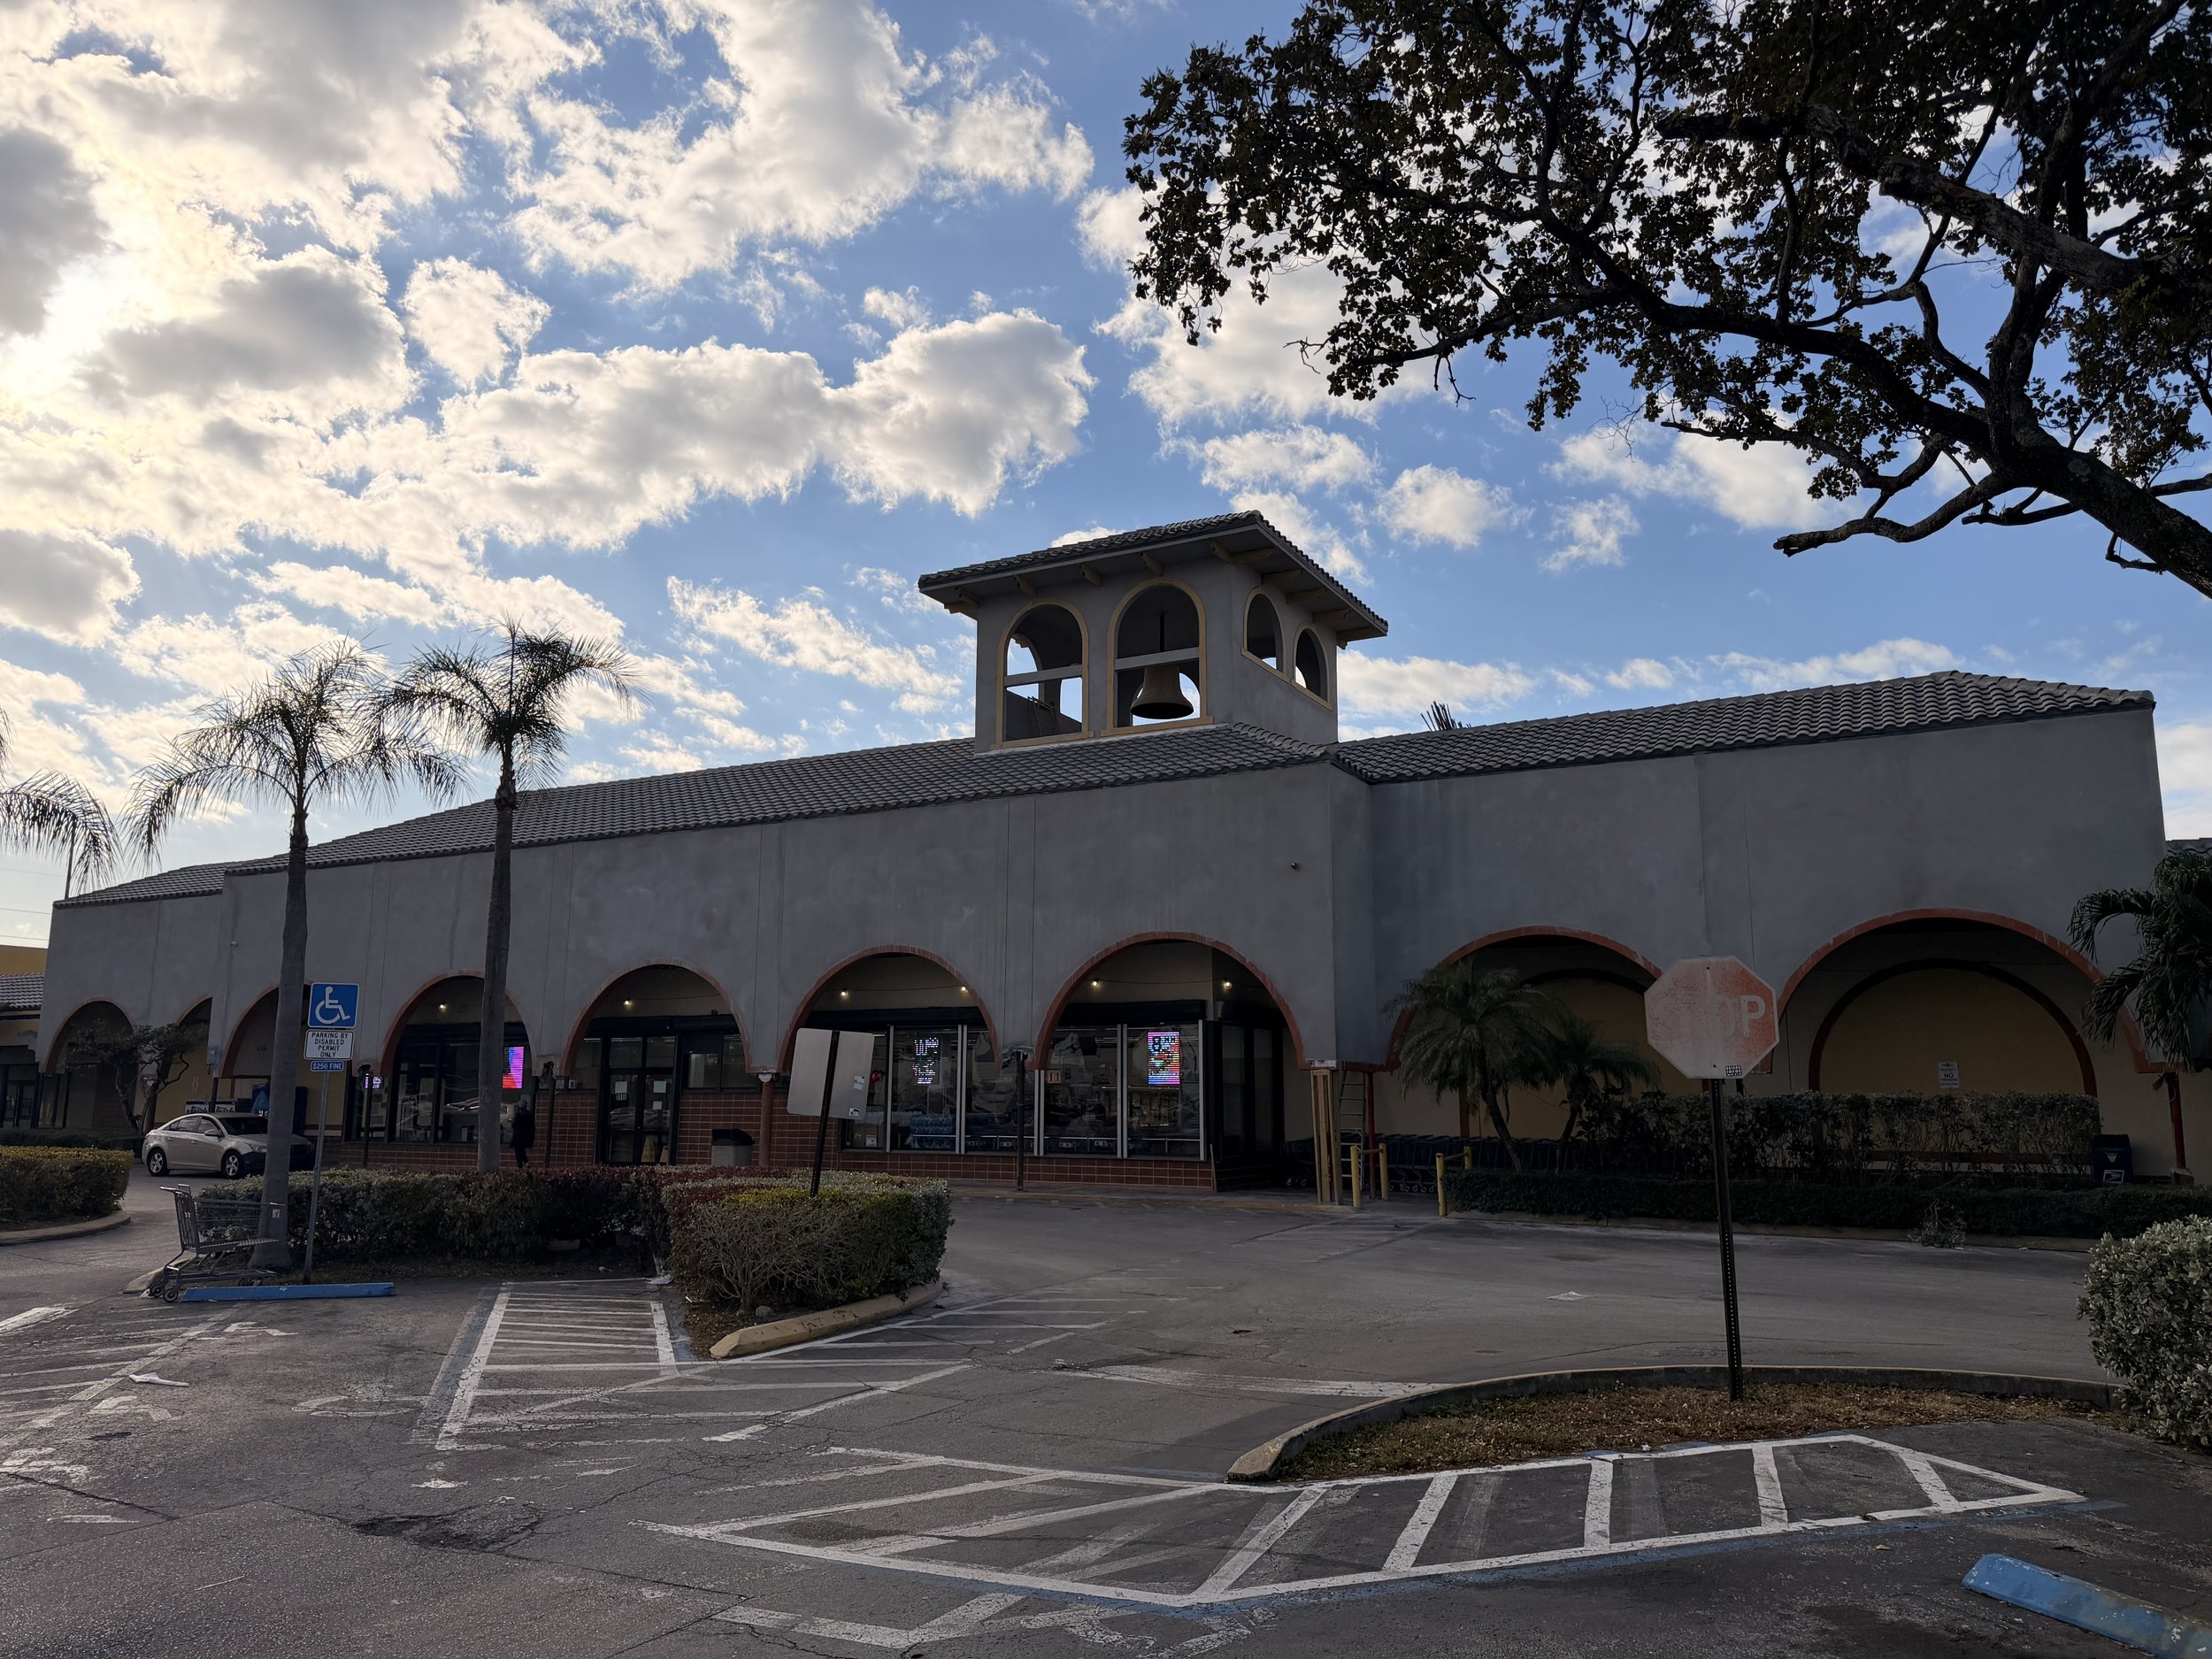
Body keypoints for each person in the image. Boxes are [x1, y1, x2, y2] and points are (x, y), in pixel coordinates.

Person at [511, 1097, 536, 1168]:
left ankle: (522, 1164)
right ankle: (525, 1163)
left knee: (518, 1151)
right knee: (521, 1150)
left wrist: (513, 1124)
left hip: (518, 1136)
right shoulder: (529, 1115)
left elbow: (515, 1125)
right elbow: (532, 1127)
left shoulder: (519, 1115)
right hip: (526, 1137)